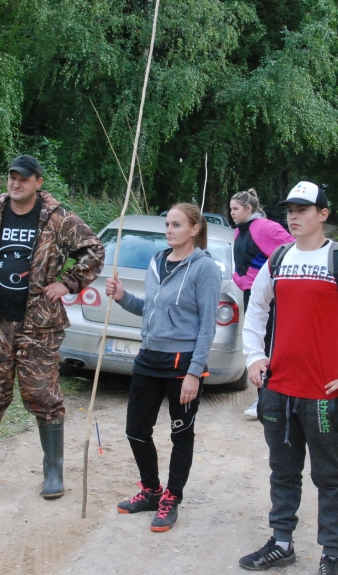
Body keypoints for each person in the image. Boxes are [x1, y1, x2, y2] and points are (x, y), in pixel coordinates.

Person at [239, 182, 338, 574]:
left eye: (304, 209)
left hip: (326, 392)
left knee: (330, 476)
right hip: (278, 390)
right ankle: (282, 542)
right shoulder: (278, 259)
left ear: (323, 214)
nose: (294, 216)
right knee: (283, 471)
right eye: (290, 209)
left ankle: (331, 555)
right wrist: (255, 357)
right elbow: (255, 310)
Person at [0, 155, 104, 498]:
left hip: (39, 327)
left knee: (44, 397)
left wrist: (68, 283)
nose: (15, 183)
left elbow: (93, 250)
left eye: (23, 178)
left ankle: (53, 471)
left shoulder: (58, 219)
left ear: (38, 182)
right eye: (12, 177)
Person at [106, 203, 220, 532]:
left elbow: (207, 327)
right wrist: (123, 297)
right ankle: (151, 490)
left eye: (176, 224)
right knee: (136, 430)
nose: (169, 229)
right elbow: (150, 308)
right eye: (167, 224)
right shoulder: (157, 262)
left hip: (181, 364)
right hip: (149, 358)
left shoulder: (204, 269)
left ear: (194, 229)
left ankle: (172, 497)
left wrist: (194, 373)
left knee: (180, 434)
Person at [229, 188, 294, 420]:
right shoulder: (240, 230)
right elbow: (241, 262)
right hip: (251, 295)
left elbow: (291, 250)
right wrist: (239, 279)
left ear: (248, 209)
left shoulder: (265, 227)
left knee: (269, 345)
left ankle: (270, 400)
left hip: (270, 298)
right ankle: (266, 398)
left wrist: (267, 280)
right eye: (231, 209)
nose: (232, 213)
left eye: (235, 209)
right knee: (256, 342)